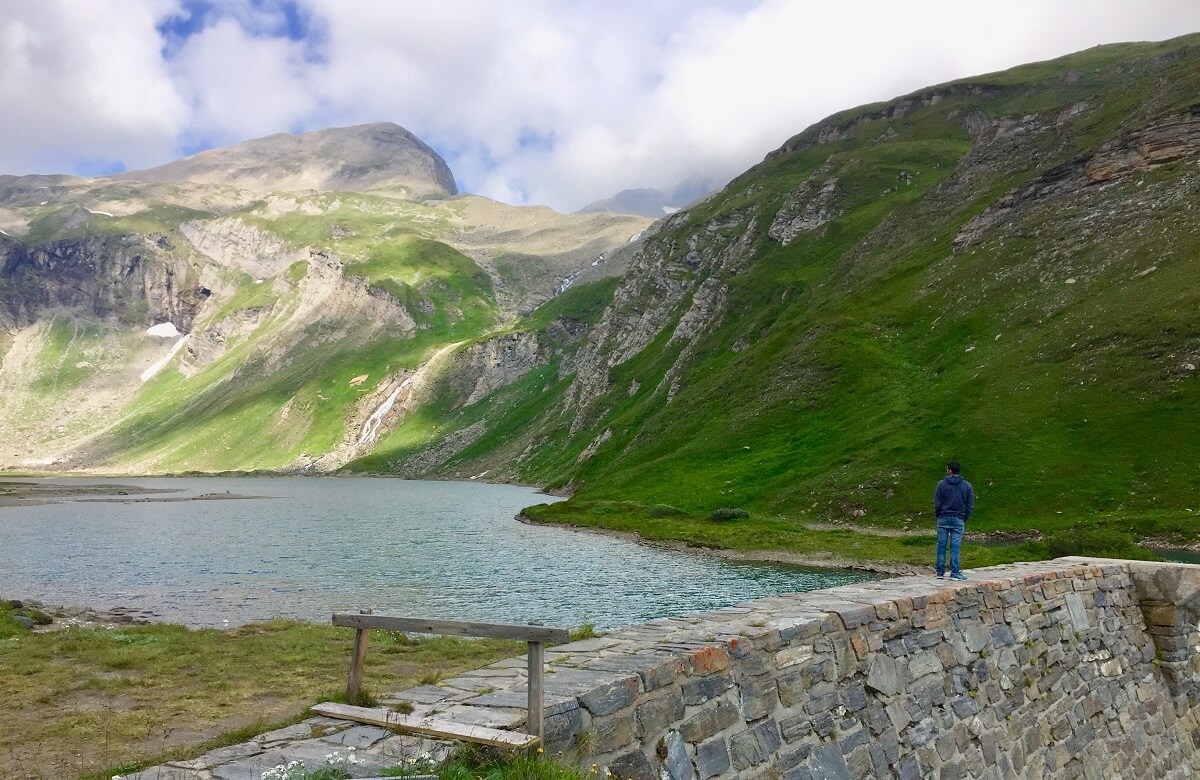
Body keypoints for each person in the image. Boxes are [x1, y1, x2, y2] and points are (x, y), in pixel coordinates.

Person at [934, 460, 974, 580]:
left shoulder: (941, 484)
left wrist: (939, 515)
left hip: (943, 518)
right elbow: (970, 506)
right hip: (958, 518)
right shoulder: (967, 486)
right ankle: (954, 572)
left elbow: (937, 503)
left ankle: (940, 573)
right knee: (955, 545)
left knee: (941, 545)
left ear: (950, 470)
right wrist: (963, 517)